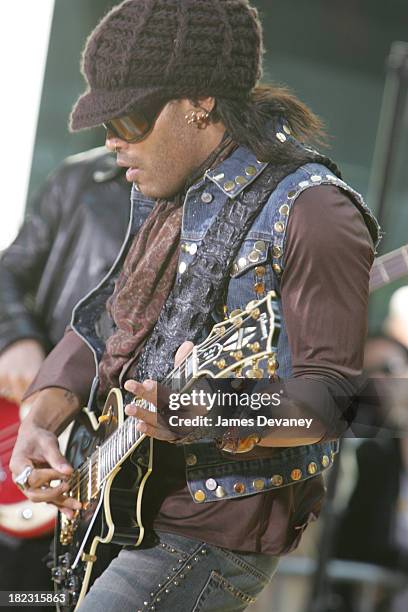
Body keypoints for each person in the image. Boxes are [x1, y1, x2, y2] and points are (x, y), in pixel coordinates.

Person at [9, 1, 380, 610]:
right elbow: (106, 323)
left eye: (127, 118)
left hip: (206, 534)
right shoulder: (165, 196)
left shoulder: (314, 211)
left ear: (199, 101)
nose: (110, 141)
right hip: (122, 509)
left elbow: (329, 403)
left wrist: (202, 411)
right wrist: (40, 420)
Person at [0, 148, 129, 603]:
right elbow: (6, 272)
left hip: (114, 462)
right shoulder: (81, 176)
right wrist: (15, 338)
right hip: (35, 430)